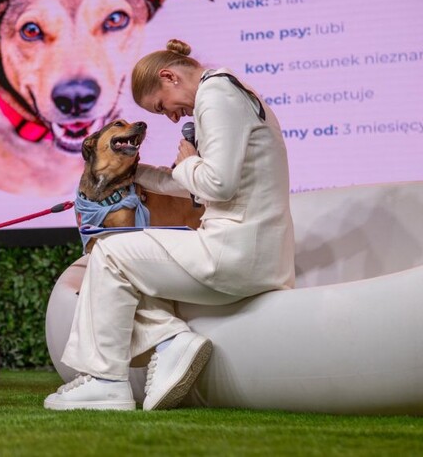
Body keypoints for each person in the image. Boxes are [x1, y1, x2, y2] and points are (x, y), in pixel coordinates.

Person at [45, 39, 295, 411]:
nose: (173, 118)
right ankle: (168, 341)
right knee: (131, 262)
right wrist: (137, 174)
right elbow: (200, 185)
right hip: (254, 253)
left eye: (161, 106)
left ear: (169, 76)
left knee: (109, 252)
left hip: (235, 253)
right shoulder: (231, 91)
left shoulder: (216, 94)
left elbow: (218, 185)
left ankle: (106, 381)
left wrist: (189, 160)